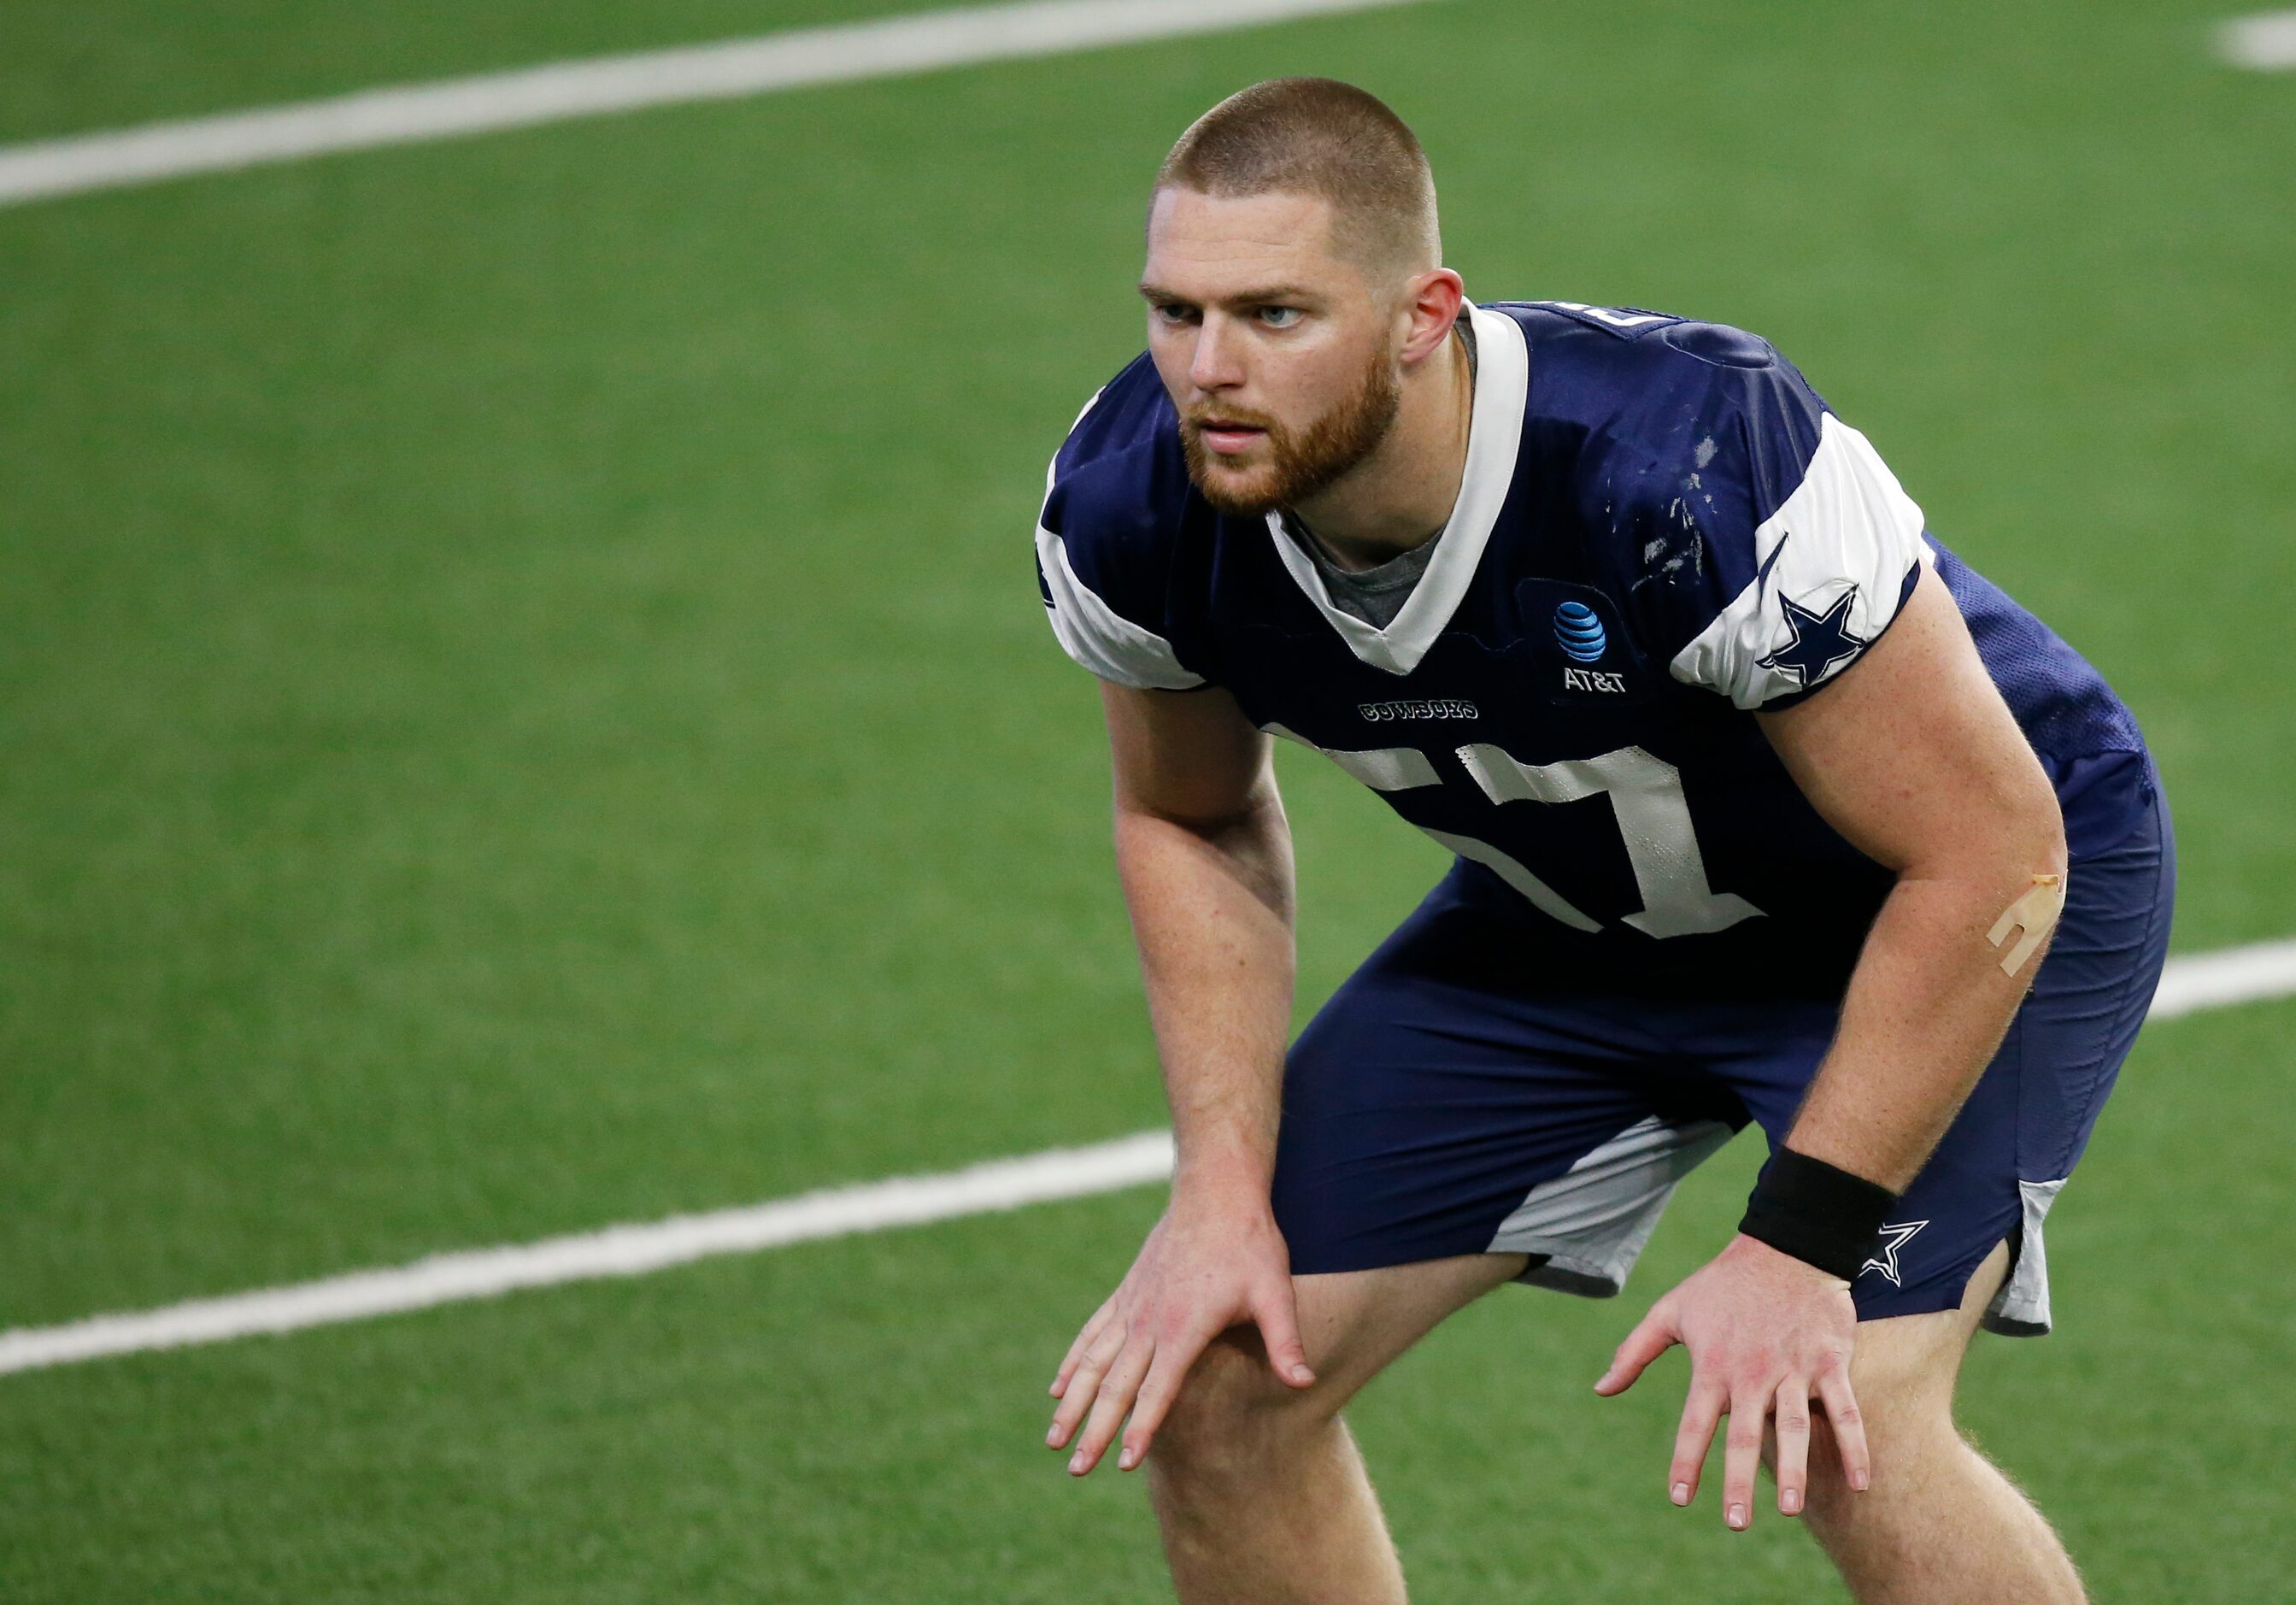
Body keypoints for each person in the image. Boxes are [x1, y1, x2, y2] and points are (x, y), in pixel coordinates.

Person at [1033, 76, 2170, 1605]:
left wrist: (1800, 1243)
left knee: (1848, 1423)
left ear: (1424, 312)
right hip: (1580, 920)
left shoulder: (1686, 462)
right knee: (1225, 1384)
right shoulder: (1132, 507)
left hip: (1937, 898)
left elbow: (1990, 855)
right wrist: (1218, 1193)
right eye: (1176, 312)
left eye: (1276, 316)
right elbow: (1192, 811)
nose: (1209, 372)